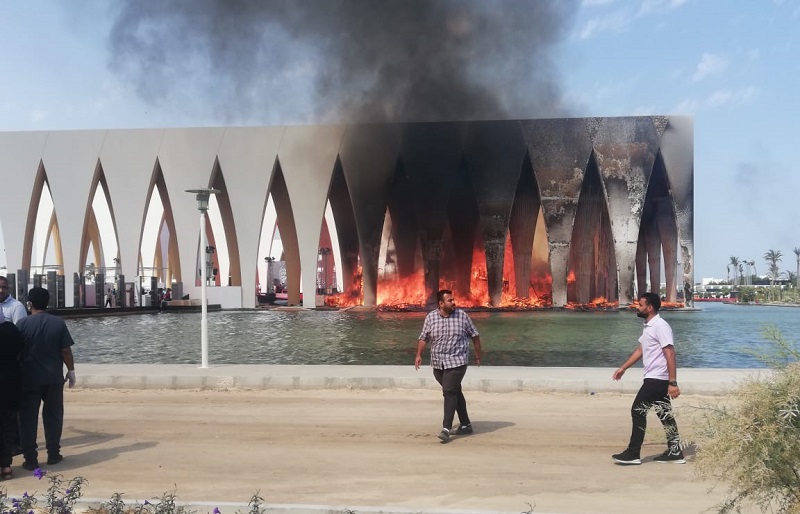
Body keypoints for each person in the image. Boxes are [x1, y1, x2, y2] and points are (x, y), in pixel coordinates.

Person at [611, 292, 684, 465]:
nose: (637, 307)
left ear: (649, 307)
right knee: (665, 415)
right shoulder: (649, 326)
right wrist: (623, 368)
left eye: (640, 305)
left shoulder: (660, 326)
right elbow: (640, 350)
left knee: (637, 411)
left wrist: (673, 382)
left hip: (657, 378)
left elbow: (670, 353)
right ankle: (675, 452)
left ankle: (633, 453)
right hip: (655, 378)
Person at [16, 287, 76, 470]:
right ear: (47, 303)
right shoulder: (58, 323)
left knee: (28, 418)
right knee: (53, 416)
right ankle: (53, 454)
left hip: (29, 379)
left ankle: (30, 459)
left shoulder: (22, 324)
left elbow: (16, 352)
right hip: (53, 378)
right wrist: (71, 371)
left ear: (29, 304)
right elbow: (65, 350)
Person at [414, 289, 482, 443]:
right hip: (438, 363)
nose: (453, 302)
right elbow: (423, 337)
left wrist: (478, 354)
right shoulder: (431, 317)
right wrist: (418, 354)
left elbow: (475, 335)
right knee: (455, 391)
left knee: (449, 392)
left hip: (457, 361)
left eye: (453, 299)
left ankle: (446, 428)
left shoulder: (462, 316)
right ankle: (465, 424)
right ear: (441, 303)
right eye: (449, 300)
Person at [0, 310, 24, 479]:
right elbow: (20, 352)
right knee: (8, 424)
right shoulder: (11, 329)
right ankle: (6, 466)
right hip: (10, 383)